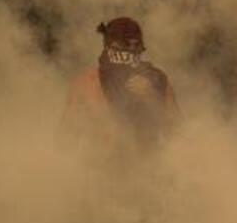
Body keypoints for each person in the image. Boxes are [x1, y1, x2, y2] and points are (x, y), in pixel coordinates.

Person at [61, 16, 179, 154]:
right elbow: (65, 140)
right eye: (124, 46)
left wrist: (153, 99)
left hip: (146, 168)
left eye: (136, 46)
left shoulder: (158, 81)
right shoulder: (87, 84)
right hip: (99, 170)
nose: (130, 52)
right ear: (110, 47)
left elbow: (179, 134)